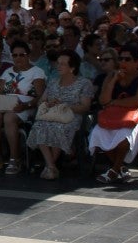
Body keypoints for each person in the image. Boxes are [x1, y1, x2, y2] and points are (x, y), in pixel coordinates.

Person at [89, 42, 138, 183]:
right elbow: (103, 100)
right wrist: (113, 81)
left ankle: (114, 171)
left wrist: (113, 102)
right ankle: (120, 168)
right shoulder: (111, 76)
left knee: (124, 136)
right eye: (121, 59)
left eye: (127, 59)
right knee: (98, 133)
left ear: (137, 61)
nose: (123, 62)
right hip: (114, 117)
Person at [27, 50, 94, 179]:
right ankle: (51, 166)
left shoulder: (84, 83)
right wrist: (49, 103)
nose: (58, 66)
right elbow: (42, 100)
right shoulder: (53, 82)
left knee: (59, 128)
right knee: (39, 126)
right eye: (58, 63)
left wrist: (65, 106)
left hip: (71, 116)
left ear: (72, 67)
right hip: (52, 114)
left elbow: (85, 107)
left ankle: (49, 167)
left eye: (63, 64)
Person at [0, 40, 46, 174]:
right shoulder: (7, 72)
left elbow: (40, 96)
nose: (18, 58)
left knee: (9, 118)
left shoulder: (37, 72)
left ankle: (15, 158)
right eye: (15, 55)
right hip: (6, 104)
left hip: (25, 107)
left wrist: (26, 105)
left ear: (27, 55)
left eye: (21, 55)